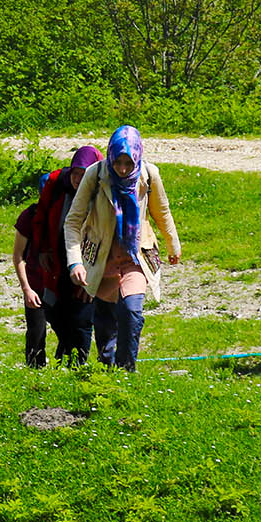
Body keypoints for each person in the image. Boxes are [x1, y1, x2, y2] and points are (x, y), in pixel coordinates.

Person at [63, 127, 182, 372]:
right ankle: (107, 368)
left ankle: (127, 370)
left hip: (135, 255)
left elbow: (162, 212)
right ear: (110, 157)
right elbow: (73, 221)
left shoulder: (148, 175)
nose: (123, 169)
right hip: (102, 258)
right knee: (105, 323)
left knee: (131, 312)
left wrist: (173, 244)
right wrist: (74, 262)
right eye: (118, 162)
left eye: (129, 163)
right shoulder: (95, 175)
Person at [13, 148, 102, 366]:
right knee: (50, 318)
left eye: (84, 175)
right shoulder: (50, 194)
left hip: (88, 265)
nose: (78, 180)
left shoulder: (101, 194)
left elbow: (101, 241)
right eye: (75, 174)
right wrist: (42, 252)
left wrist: (91, 281)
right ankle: (42, 365)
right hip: (52, 269)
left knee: (81, 319)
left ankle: (78, 367)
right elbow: (21, 250)